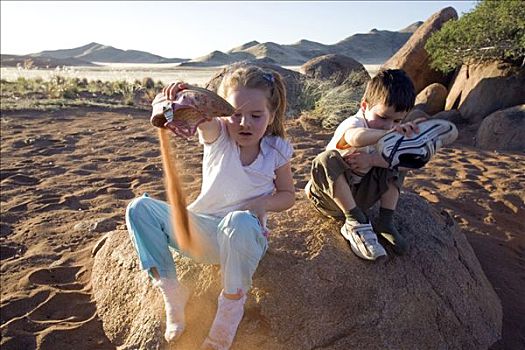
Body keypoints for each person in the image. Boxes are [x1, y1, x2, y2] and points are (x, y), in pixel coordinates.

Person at [125, 63, 295, 349]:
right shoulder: (218, 137)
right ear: (223, 114)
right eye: (236, 114)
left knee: (237, 222)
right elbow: (201, 115)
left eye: (256, 116)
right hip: (201, 235)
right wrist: (181, 96)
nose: (244, 123)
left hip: (245, 240)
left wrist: (259, 204)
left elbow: (288, 194)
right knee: (138, 209)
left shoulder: (276, 150)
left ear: (272, 115)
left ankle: (226, 321)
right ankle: (172, 292)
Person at [305, 69, 420, 261]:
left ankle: (385, 221)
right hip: (330, 198)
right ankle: (355, 222)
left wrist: (373, 160)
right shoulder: (355, 122)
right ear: (365, 106)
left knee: (397, 161)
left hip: (362, 196)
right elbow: (354, 137)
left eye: (397, 121)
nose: (389, 125)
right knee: (325, 160)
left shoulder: (389, 129)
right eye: (383, 117)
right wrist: (387, 136)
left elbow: (407, 164)